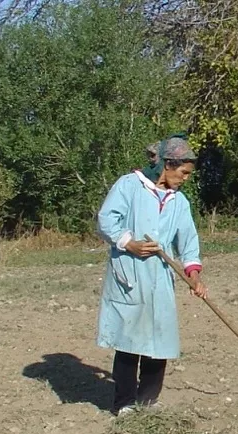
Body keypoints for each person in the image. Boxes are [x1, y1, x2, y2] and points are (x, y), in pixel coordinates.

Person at [95, 134, 207, 416]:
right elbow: (107, 219)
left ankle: (147, 400)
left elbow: (188, 241)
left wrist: (193, 274)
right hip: (129, 277)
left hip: (160, 278)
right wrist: (128, 242)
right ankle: (124, 403)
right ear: (168, 165)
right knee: (129, 341)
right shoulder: (129, 186)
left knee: (160, 340)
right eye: (183, 172)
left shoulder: (179, 202)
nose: (185, 178)